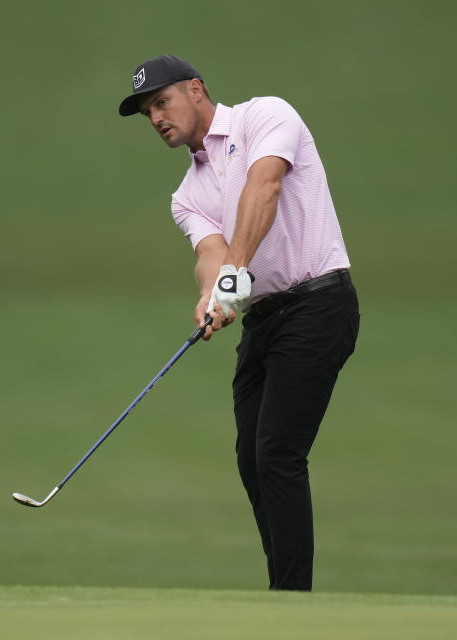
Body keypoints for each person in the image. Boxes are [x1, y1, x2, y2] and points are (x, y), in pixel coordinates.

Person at [118, 55, 359, 591]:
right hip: (264, 321)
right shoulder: (186, 195)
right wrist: (212, 294)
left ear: (196, 90)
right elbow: (211, 250)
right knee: (252, 459)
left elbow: (264, 188)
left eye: (162, 102)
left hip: (319, 303)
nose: (155, 118)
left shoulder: (265, 117)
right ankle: (283, 591)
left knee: (277, 452)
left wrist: (232, 277)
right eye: (145, 112)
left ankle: (292, 599)